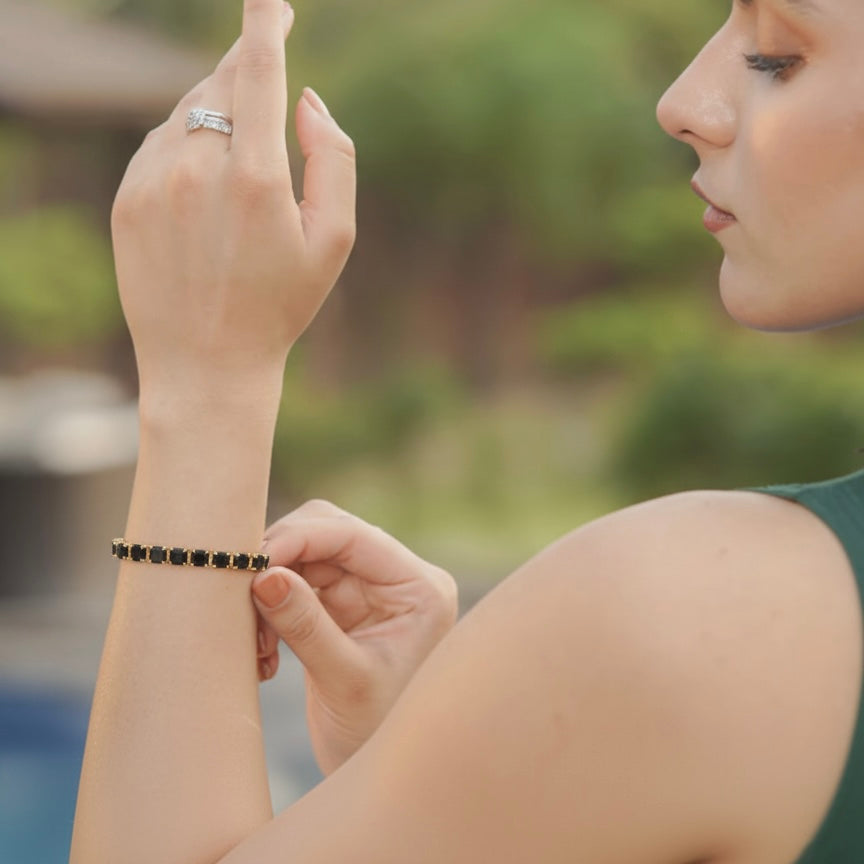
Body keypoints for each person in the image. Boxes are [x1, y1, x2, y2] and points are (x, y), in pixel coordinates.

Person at [69, 0, 864, 861]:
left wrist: (207, 379)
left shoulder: (692, 622)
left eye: (778, 54)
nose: (682, 100)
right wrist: (459, 769)